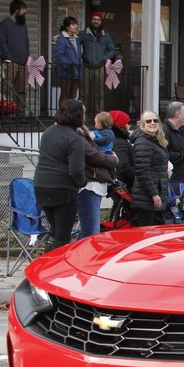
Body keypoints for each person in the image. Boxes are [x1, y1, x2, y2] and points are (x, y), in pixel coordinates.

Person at [34, 99, 87, 248]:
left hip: (41, 184)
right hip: (63, 188)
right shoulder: (74, 138)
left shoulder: (48, 132)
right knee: (63, 237)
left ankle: (47, 262)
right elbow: (76, 169)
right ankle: (54, 268)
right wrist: (82, 182)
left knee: (55, 232)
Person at [77, 121, 120, 239]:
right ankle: (78, 256)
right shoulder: (79, 137)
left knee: (89, 230)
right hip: (89, 185)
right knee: (90, 231)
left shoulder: (84, 136)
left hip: (92, 184)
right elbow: (95, 156)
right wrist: (113, 159)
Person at [129, 112, 171, 227]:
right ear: (143, 124)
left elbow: (155, 166)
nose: (152, 123)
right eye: (148, 121)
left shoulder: (156, 140)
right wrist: (153, 193)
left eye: (155, 120)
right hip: (146, 196)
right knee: (146, 232)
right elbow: (142, 171)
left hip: (156, 191)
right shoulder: (143, 141)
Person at [80, 10, 116, 116]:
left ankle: (100, 116)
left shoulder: (105, 35)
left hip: (100, 67)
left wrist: (104, 58)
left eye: (98, 19)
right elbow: (76, 47)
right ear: (91, 20)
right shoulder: (83, 34)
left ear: (101, 21)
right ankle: (82, 115)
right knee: (84, 93)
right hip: (86, 66)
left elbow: (112, 50)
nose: (96, 21)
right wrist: (82, 56)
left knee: (99, 93)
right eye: (94, 19)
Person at [0, 0, 29, 95]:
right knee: (6, 89)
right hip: (10, 63)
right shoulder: (4, 24)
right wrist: (8, 58)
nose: (25, 12)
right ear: (16, 10)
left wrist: (27, 59)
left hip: (23, 63)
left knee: (21, 92)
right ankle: (6, 109)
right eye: (23, 9)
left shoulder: (23, 26)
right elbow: (2, 42)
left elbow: (26, 43)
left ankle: (20, 111)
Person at [162, 101, 184, 190]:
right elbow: (163, 154)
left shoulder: (177, 130)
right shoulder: (165, 131)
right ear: (177, 115)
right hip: (171, 181)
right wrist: (183, 155)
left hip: (180, 178)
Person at [54, 17, 83, 103]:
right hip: (66, 72)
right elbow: (59, 55)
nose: (75, 26)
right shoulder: (61, 38)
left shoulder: (77, 39)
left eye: (76, 24)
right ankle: (62, 115)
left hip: (76, 71)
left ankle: (70, 115)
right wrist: (69, 65)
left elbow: (78, 54)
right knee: (65, 96)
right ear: (67, 26)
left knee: (73, 96)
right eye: (72, 24)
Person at [108, 110, 135, 188]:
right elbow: (123, 168)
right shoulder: (119, 142)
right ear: (121, 125)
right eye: (127, 123)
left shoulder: (119, 140)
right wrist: (140, 178)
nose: (129, 126)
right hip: (126, 186)